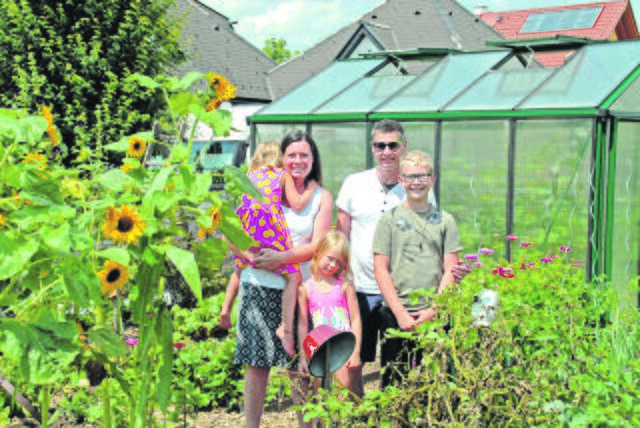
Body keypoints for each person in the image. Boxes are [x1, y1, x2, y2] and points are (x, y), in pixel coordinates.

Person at [336, 119, 468, 396]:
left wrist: (447, 285)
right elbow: (341, 234)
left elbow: (435, 254)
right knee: (356, 359)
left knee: (421, 369)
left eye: (392, 145)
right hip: (362, 287)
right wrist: (338, 279)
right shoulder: (355, 184)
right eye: (380, 145)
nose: (386, 151)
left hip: (410, 297)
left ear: (403, 146)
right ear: (373, 147)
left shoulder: (435, 211)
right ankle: (362, 416)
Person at [235, 130, 333, 428]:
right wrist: (248, 257)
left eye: (304, 155)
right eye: (291, 155)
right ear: (282, 158)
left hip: (304, 291)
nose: (298, 160)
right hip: (262, 286)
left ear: (313, 158)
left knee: (302, 365)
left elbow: (318, 245)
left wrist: (281, 258)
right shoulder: (266, 186)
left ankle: (308, 425)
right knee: (258, 363)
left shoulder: (321, 197)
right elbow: (235, 228)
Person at [373, 150, 462, 387]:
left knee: (435, 384)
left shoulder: (445, 220)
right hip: (395, 314)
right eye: (410, 177)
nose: (416, 182)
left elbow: (451, 270)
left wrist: (433, 311)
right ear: (401, 180)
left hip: (434, 315)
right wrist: (400, 312)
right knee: (394, 384)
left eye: (422, 176)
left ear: (432, 179)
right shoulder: (389, 219)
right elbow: (381, 268)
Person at [219, 142, 317, 349]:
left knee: (239, 267)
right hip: (268, 231)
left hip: (248, 231)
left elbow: (241, 206)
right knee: (293, 277)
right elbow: (296, 203)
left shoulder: (248, 176)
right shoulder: (282, 175)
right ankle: (286, 327)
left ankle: (226, 308)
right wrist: (311, 191)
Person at [297, 231, 361, 395]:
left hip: (344, 347)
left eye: (338, 262)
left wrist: (355, 352)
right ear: (318, 253)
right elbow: (303, 324)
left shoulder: (345, 286)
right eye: (330, 258)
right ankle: (323, 422)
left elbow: (355, 320)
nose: (333, 265)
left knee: (342, 396)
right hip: (319, 350)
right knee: (322, 397)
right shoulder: (306, 289)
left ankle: (343, 421)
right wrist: (304, 356)